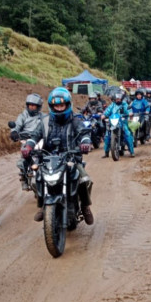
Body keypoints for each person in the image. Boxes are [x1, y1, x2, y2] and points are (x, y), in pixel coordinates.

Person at [21, 87, 95, 224]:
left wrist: (85, 143)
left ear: (67, 105)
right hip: (48, 159)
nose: (59, 108)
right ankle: (42, 206)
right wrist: (28, 146)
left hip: (70, 159)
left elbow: (84, 134)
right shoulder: (45, 122)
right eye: (56, 106)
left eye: (62, 105)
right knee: (35, 179)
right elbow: (34, 136)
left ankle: (85, 206)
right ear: (51, 106)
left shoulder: (75, 121)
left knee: (84, 180)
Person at [9, 93, 45, 191]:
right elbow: (16, 126)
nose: (32, 107)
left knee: (47, 154)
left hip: (40, 140)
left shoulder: (44, 116)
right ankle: (24, 178)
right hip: (26, 139)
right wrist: (14, 132)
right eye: (30, 105)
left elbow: (48, 125)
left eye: (34, 106)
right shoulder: (23, 116)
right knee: (24, 156)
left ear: (38, 107)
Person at [103, 89, 136, 157]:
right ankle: (106, 153)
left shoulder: (124, 104)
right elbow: (107, 111)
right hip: (113, 122)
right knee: (107, 136)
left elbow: (128, 109)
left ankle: (131, 151)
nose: (118, 100)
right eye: (117, 99)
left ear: (121, 98)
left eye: (119, 99)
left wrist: (130, 113)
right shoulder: (112, 105)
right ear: (114, 99)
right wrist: (104, 115)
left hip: (122, 122)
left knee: (127, 134)